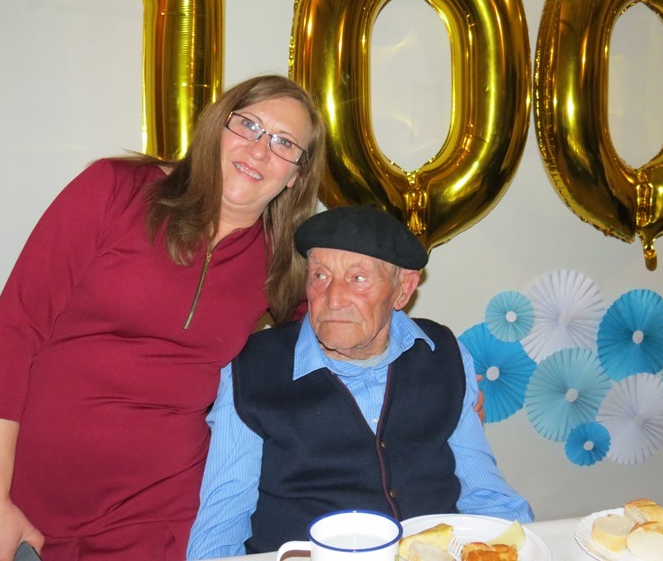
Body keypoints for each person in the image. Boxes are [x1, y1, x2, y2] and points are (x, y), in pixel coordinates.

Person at [0, 74, 327, 561]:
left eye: (284, 143)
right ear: (217, 127)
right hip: (25, 488)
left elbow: (341, 329)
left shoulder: (282, 261)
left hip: (157, 514)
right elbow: (14, 331)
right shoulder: (116, 189)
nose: (259, 150)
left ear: (296, 174)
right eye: (249, 125)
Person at [186, 205, 534, 559]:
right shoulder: (252, 369)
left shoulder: (444, 353)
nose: (334, 299)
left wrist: (530, 545)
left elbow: (484, 492)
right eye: (320, 275)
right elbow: (223, 518)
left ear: (403, 289)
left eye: (358, 278)